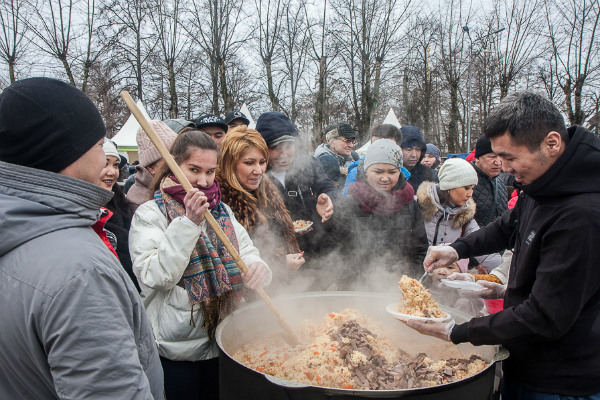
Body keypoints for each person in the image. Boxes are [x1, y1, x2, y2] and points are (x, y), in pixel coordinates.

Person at [409, 92, 600, 399]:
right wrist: (457, 249)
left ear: (552, 143)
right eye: (498, 156)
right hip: (524, 359)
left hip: (562, 379)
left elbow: (544, 315)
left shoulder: (582, 214)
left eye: (510, 157)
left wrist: (457, 331)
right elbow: (507, 226)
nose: (504, 167)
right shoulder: (542, 182)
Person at [0, 77, 163, 399]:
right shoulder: (80, 272)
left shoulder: (18, 231)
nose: (105, 158)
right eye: (99, 144)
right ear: (68, 151)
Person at [129, 129, 271, 400]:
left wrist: (258, 266)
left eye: (210, 172)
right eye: (194, 169)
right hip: (177, 351)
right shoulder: (151, 214)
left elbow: (247, 251)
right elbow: (155, 276)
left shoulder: (221, 209)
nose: (203, 181)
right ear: (174, 164)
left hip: (224, 340)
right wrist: (188, 223)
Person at [217, 126, 306, 295]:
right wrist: (280, 264)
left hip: (283, 290)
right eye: (249, 163)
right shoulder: (219, 203)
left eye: (262, 162)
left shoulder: (267, 189)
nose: (258, 171)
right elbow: (228, 264)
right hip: (246, 300)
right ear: (230, 163)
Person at [332, 139, 429, 289]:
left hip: (399, 290)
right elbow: (335, 250)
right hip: (355, 289)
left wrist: (410, 282)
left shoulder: (410, 204)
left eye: (392, 172)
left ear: (400, 171)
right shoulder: (349, 204)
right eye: (378, 171)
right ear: (366, 170)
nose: (385, 178)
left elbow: (420, 248)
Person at [255, 111, 336, 289]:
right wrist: (286, 229)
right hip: (281, 261)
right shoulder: (256, 174)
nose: (283, 154)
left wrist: (328, 199)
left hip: (316, 253)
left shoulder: (309, 164)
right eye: (275, 148)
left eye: (288, 147)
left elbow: (328, 188)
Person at [416, 158, 501, 272]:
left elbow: (484, 249)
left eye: (472, 188)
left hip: (444, 282)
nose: (470, 193)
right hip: (410, 276)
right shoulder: (416, 206)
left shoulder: (465, 218)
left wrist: (505, 274)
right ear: (449, 186)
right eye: (466, 188)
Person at [100, 139, 139, 291]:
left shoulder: (123, 205)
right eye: (105, 163)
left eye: (115, 165)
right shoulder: (82, 212)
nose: (112, 172)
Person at [342, 124, 411, 195]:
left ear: (399, 149)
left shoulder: (405, 174)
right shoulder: (356, 174)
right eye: (376, 147)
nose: (381, 152)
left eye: (388, 147)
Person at [126, 120, 178, 209]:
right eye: (168, 161)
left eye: (177, 158)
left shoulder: (175, 187)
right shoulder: (139, 201)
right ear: (150, 168)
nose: (176, 165)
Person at [471, 136, 511, 227]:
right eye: (492, 157)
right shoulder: (465, 183)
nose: (498, 162)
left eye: (501, 156)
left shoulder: (500, 183)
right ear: (477, 158)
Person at [313, 123, 360, 188]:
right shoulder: (320, 164)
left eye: (353, 141)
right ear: (332, 143)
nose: (351, 145)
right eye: (347, 141)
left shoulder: (355, 158)